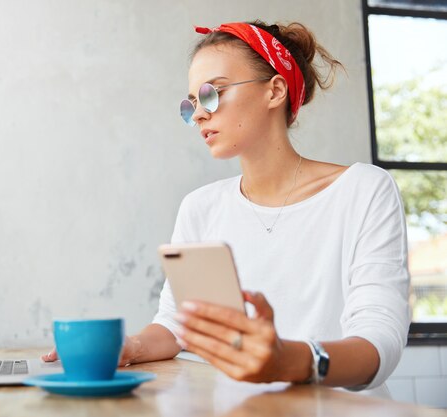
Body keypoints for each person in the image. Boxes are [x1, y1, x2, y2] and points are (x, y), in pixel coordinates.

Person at [43, 20, 410, 395]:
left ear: (275, 91)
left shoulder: (363, 190)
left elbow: (379, 342)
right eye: (191, 105)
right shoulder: (200, 207)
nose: (199, 114)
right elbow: (175, 324)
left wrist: (290, 360)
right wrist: (127, 348)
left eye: (212, 94)